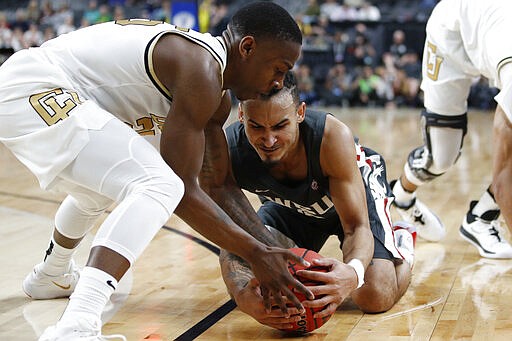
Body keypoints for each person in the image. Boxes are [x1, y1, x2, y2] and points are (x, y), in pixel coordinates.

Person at [0, 2, 315, 340]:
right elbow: (183, 192)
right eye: (278, 68)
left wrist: (275, 252)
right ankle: (76, 326)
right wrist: (256, 254)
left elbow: (219, 186)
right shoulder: (201, 69)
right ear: (248, 47)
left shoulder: (215, 91)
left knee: (105, 186)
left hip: (51, 89)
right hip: (36, 85)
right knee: (158, 184)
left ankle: (51, 274)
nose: (278, 82)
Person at [207, 72, 415, 330]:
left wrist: (353, 274)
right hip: (290, 208)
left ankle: (402, 241)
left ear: (300, 113)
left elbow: (356, 227)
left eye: (280, 126)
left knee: (374, 296)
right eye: (256, 126)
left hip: (355, 205)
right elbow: (231, 232)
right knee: (249, 270)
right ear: (241, 116)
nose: (269, 140)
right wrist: (241, 296)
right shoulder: (230, 150)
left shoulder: (331, 136)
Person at [390, 0, 512, 258]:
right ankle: (401, 194)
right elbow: (504, 179)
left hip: (492, 31)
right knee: (442, 157)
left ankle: (480, 219)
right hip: (451, 34)